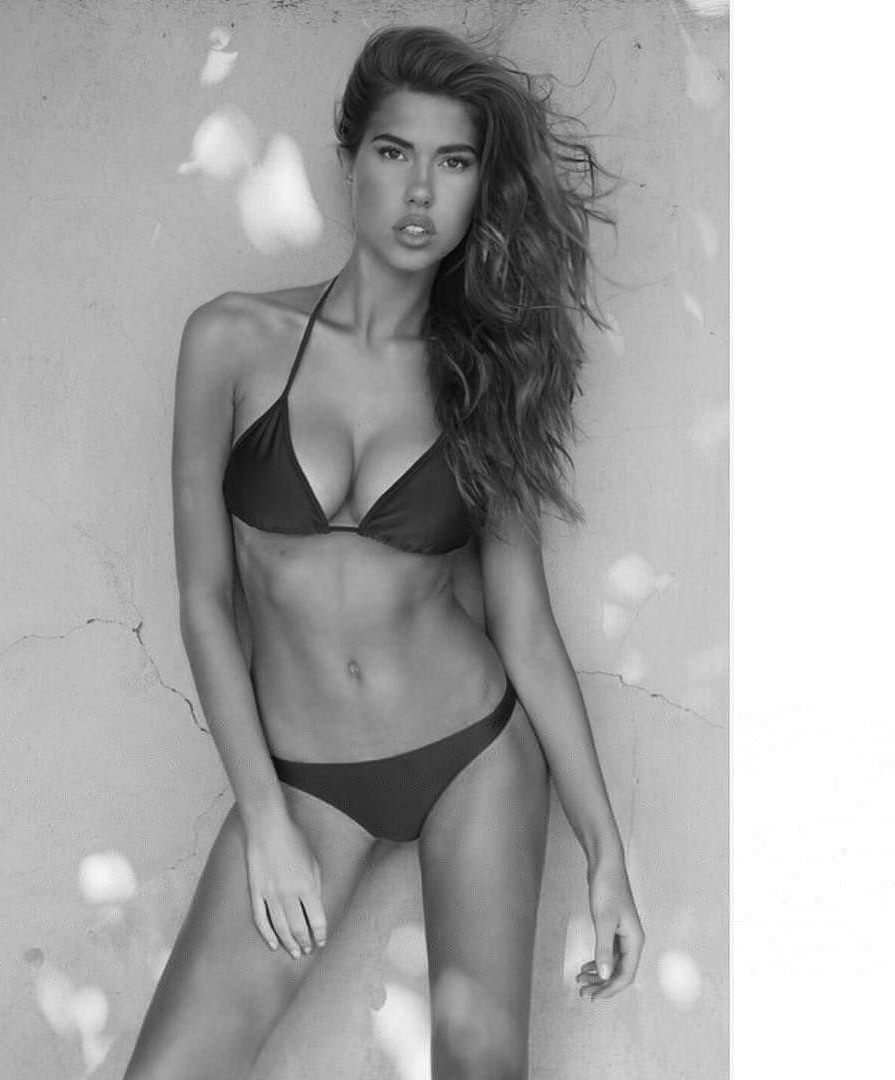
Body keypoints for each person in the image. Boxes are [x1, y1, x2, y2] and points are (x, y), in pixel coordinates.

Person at [123, 23, 644, 1080]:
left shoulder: (485, 377)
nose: (420, 191)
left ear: (478, 188)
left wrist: (605, 850)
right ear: (348, 160)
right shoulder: (230, 341)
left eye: (454, 163)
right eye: (395, 152)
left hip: (472, 753)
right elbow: (206, 601)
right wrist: (265, 819)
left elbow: (525, 628)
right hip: (303, 780)